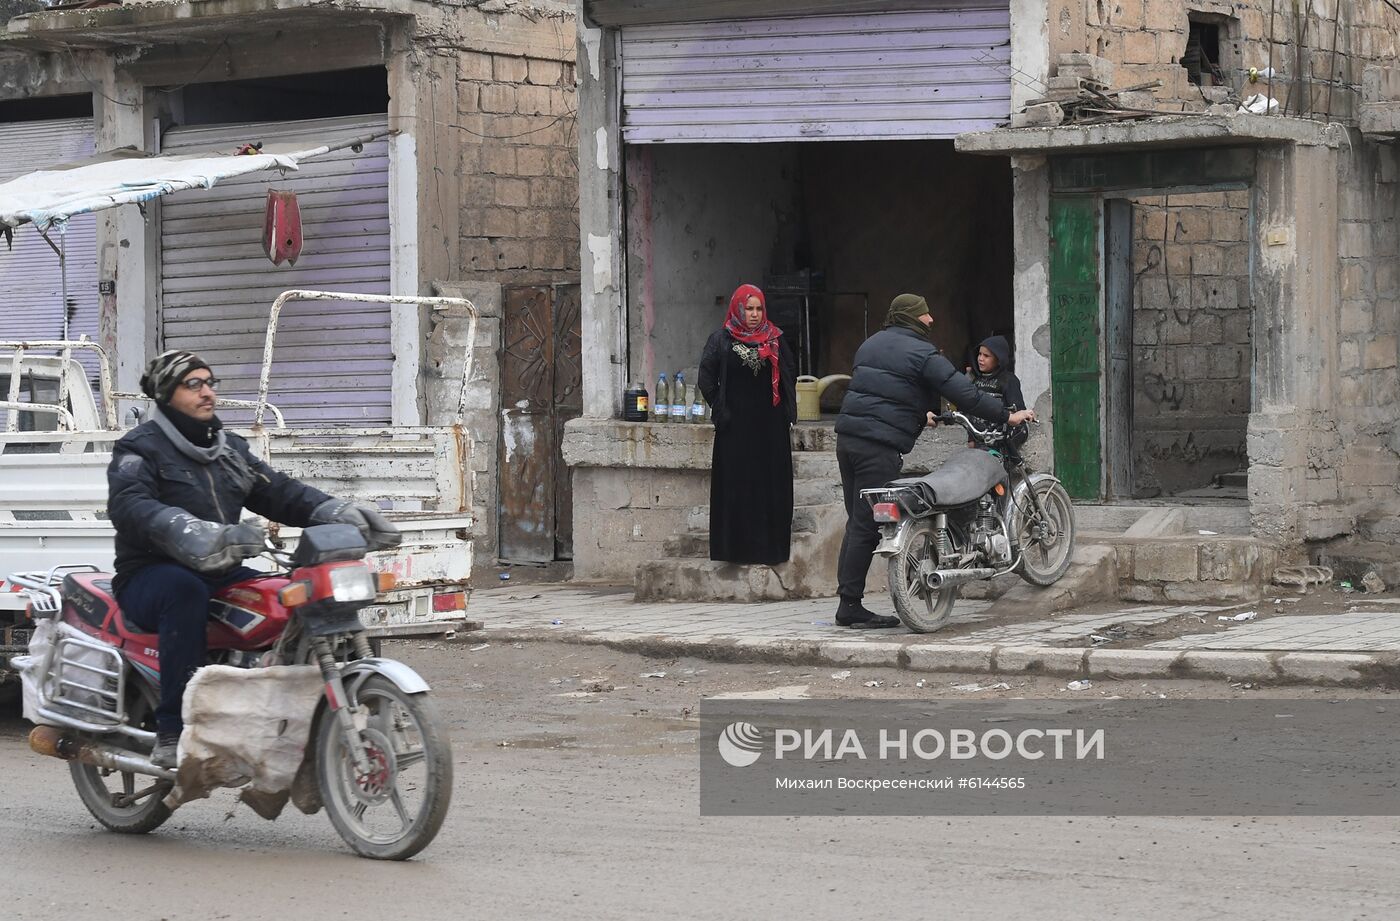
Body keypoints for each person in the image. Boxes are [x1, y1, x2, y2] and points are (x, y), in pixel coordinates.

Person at [107, 350, 401, 768]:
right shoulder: (139, 448)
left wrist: (338, 512)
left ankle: (284, 706)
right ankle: (173, 727)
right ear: (166, 393)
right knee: (184, 591)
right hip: (151, 575)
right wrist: (189, 530)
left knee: (285, 597)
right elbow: (130, 505)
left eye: (210, 383)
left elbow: (279, 493)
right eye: (194, 384)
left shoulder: (229, 450)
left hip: (221, 567)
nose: (207, 392)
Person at [832, 295, 1036, 629]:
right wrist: (1006, 416)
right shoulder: (921, 352)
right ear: (912, 317)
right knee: (868, 524)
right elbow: (963, 392)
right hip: (878, 446)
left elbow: (884, 390)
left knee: (857, 521)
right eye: (925, 314)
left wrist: (917, 413)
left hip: (849, 440)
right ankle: (850, 606)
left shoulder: (869, 345)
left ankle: (847, 601)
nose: (930, 320)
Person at [698, 283, 797, 565]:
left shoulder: (776, 339)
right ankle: (735, 551)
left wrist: (789, 415)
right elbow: (706, 378)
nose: (753, 314)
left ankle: (770, 550)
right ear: (737, 309)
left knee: (770, 486)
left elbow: (789, 375)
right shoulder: (721, 340)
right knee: (737, 485)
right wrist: (721, 408)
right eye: (748, 308)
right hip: (735, 428)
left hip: (770, 428)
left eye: (758, 309)